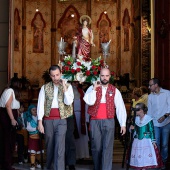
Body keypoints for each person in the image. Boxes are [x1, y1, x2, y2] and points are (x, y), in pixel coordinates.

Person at [83, 68, 127, 170]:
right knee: (96, 148)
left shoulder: (115, 90)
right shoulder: (91, 88)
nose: (105, 78)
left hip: (109, 121)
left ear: (110, 77)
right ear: (99, 76)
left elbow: (120, 107)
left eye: (107, 76)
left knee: (107, 147)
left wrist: (123, 124)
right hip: (95, 121)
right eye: (102, 76)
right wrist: (94, 89)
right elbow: (89, 102)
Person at [37, 65, 74, 170]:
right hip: (48, 121)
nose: (56, 78)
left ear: (61, 74)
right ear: (50, 76)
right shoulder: (45, 87)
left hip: (62, 120)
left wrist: (65, 89)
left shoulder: (68, 87)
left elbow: (69, 102)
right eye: (53, 76)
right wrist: (40, 122)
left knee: (60, 147)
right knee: (49, 147)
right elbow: (40, 105)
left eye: (57, 75)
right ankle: (49, 167)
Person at [129, 103, 163, 169]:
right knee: (138, 153)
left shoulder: (148, 119)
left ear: (141, 110)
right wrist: (131, 128)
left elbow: (151, 130)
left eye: (137, 110)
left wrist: (153, 141)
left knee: (145, 154)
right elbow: (135, 129)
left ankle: (144, 167)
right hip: (137, 140)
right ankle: (139, 166)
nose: (135, 111)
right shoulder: (135, 119)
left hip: (146, 140)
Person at [147, 78, 170, 169]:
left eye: (150, 85)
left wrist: (165, 116)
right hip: (155, 123)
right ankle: (157, 162)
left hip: (166, 122)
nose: (149, 87)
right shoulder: (150, 96)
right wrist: (149, 123)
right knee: (156, 143)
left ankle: (163, 162)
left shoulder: (167, 93)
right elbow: (149, 111)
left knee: (165, 144)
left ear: (156, 85)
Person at [0, 77, 21, 170]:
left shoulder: (9, 90)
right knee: (7, 140)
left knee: (8, 139)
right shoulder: (10, 91)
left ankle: (6, 162)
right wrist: (12, 119)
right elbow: (8, 106)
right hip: (7, 117)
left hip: (9, 115)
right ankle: (6, 164)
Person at [72, 82, 89, 160]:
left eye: (76, 83)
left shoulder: (82, 92)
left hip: (81, 116)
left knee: (81, 137)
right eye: (73, 83)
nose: (75, 84)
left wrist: (86, 117)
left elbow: (86, 105)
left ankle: (82, 155)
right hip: (72, 117)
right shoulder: (68, 91)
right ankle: (73, 155)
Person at [26, 104, 42, 170]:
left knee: (38, 151)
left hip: (39, 138)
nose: (35, 111)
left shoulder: (39, 118)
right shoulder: (29, 119)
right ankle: (32, 164)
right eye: (33, 110)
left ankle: (38, 162)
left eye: (36, 109)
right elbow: (28, 128)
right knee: (33, 152)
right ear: (30, 111)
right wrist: (36, 128)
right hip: (32, 138)